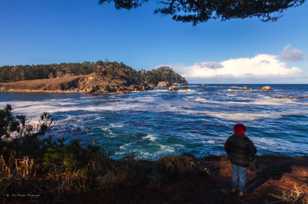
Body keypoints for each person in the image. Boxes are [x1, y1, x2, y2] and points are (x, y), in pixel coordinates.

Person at [224, 123, 257, 196]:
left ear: (234, 130)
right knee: (242, 176)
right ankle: (241, 191)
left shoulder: (231, 138)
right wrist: (250, 159)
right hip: (243, 162)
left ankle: (233, 189)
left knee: (234, 175)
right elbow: (253, 151)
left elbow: (226, 147)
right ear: (244, 131)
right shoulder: (246, 140)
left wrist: (230, 154)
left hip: (233, 160)